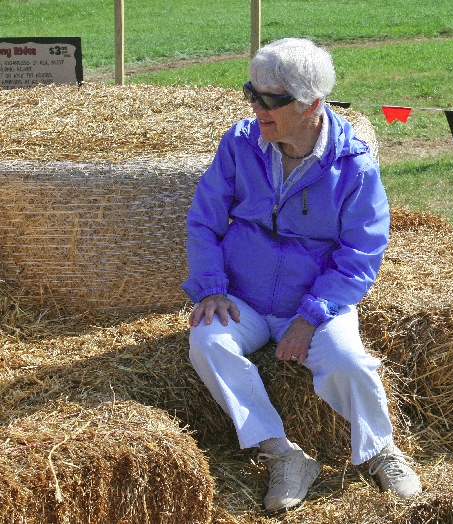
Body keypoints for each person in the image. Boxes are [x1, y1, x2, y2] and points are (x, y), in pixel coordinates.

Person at [182, 37, 422, 513]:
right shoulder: (238, 143)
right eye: (252, 92)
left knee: (349, 363)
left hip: (315, 300)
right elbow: (204, 220)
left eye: (272, 99)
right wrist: (210, 288)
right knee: (207, 342)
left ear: (312, 103)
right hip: (243, 297)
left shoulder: (354, 165)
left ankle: (379, 451)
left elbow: (361, 253)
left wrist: (310, 317)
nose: (257, 107)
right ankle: (283, 454)